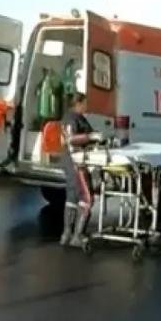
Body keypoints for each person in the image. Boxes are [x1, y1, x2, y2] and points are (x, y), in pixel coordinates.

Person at [60, 93, 102, 247]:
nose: (87, 106)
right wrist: (91, 137)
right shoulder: (73, 119)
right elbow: (71, 139)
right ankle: (78, 235)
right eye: (85, 103)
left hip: (70, 161)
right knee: (86, 198)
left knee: (72, 197)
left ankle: (66, 234)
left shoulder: (72, 117)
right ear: (78, 104)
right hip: (77, 163)